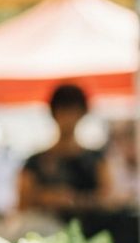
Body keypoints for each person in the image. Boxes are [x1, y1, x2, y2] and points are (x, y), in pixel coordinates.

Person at [18, 83, 112, 218]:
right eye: (64, 111)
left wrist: (75, 201)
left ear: (82, 114)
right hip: (45, 233)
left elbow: (109, 199)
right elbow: (22, 205)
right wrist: (45, 198)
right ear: (54, 113)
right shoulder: (35, 162)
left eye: (74, 111)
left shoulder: (96, 159)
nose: (68, 118)